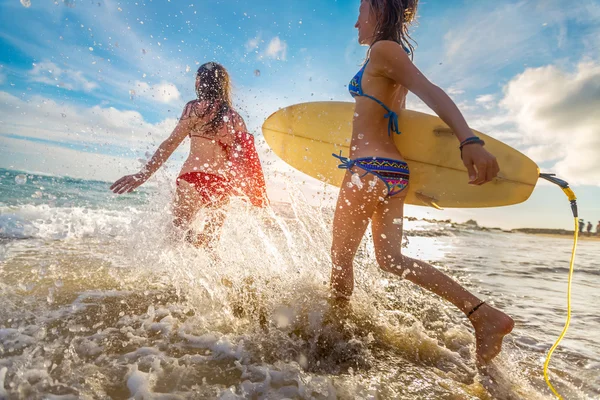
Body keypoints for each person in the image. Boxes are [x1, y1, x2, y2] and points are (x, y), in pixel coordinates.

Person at [329, 0, 513, 365]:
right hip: (394, 173)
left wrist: (469, 141)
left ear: (381, 10)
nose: (355, 24)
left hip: (367, 170)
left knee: (340, 261)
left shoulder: (384, 50)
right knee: (391, 260)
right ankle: (482, 315)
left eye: (362, 10)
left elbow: (431, 92)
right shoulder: (386, 55)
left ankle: (333, 339)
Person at [110, 62, 268, 248]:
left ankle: (174, 264)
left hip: (192, 179)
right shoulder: (235, 119)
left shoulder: (194, 109)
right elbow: (246, 160)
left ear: (200, 81)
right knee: (210, 246)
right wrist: (257, 196)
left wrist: (143, 174)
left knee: (175, 237)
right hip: (220, 185)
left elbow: (170, 143)